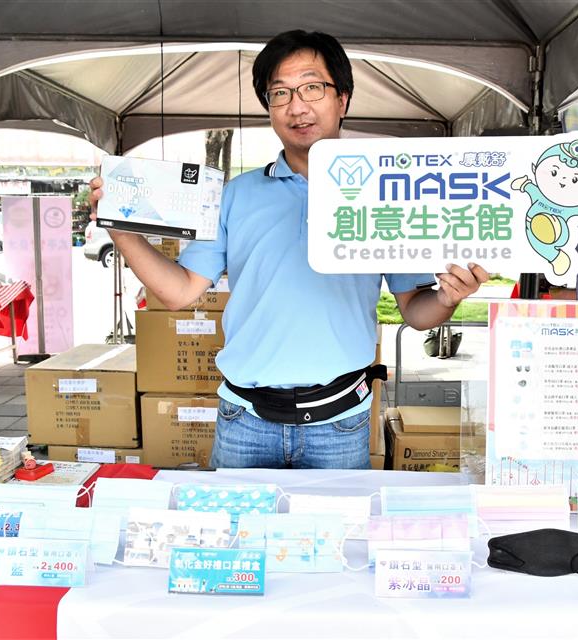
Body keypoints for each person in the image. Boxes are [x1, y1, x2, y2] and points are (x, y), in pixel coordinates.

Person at [89, 30, 488, 470]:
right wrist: (121, 231)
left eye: (312, 87)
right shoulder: (235, 195)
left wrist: (449, 297)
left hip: (340, 423)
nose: (297, 107)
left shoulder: (384, 195)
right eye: (280, 93)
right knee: (236, 519)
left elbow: (415, 309)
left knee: (338, 520)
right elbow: (178, 291)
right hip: (245, 420)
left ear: (343, 99)